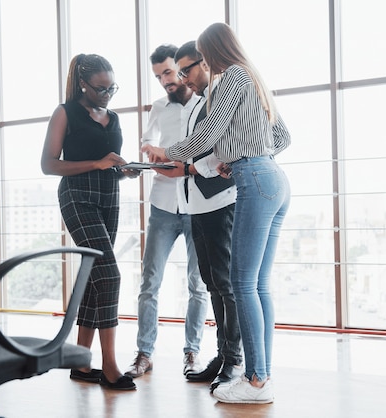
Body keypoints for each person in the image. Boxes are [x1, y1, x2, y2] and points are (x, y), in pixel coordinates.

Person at [142, 23, 291, 404]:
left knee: (241, 285)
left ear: (213, 52)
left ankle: (255, 381)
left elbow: (207, 136)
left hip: (254, 180)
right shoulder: (254, 79)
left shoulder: (231, 77)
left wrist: (167, 152)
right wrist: (239, 158)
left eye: (203, 58)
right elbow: (282, 139)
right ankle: (261, 377)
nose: (201, 66)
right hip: (272, 176)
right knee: (257, 286)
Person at [41, 53, 137, 390]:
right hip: (77, 196)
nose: (107, 94)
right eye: (100, 88)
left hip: (109, 197)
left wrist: (124, 171)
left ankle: (81, 362)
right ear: (83, 84)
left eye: (112, 88)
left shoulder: (113, 117)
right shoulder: (65, 113)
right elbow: (49, 165)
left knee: (96, 278)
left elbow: (108, 164)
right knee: (109, 275)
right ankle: (109, 365)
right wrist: (96, 163)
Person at [156, 40, 243, 391]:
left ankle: (233, 360)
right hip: (195, 205)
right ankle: (223, 355)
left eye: (186, 69)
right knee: (211, 282)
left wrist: (184, 165)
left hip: (221, 201)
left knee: (225, 284)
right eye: (179, 72)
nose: (183, 78)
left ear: (205, 63)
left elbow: (221, 148)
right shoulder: (198, 102)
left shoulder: (222, 95)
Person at [125, 44, 208, 378]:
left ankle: (192, 353)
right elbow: (148, 143)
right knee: (149, 283)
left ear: (184, 69)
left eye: (169, 73)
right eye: (158, 76)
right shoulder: (158, 107)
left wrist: (178, 159)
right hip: (162, 204)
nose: (164, 81)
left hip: (198, 204)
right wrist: (148, 155)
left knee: (198, 285)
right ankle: (144, 354)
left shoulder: (207, 105)